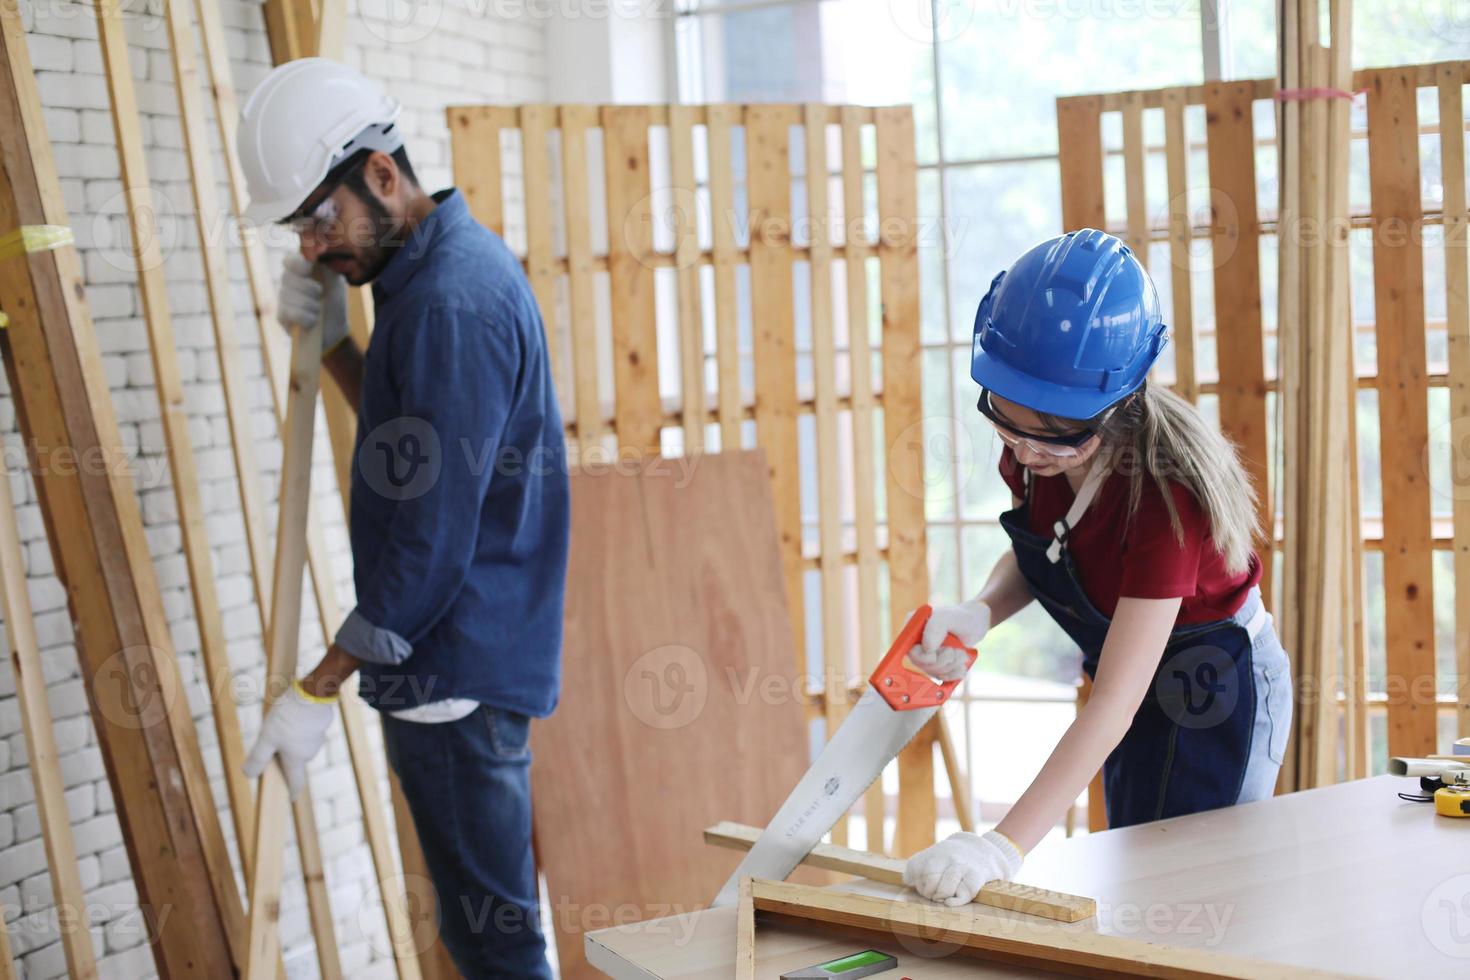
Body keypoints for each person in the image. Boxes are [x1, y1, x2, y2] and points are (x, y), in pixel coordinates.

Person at [235, 58, 568, 977]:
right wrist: (337, 346)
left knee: (494, 948)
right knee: (483, 935)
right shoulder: (421, 277)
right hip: (451, 666)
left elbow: (428, 545)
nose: (310, 247)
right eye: (299, 225)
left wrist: (316, 687)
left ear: (382, 174)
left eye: (318, 217)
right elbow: (403, 441)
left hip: (452, 672)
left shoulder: (451, 305)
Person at [902, 229, 1292, 907]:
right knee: (1137, 879)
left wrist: (1002, 845)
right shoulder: (1033, 456)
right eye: (1006, 420)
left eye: (1054, 434)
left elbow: (1116, 697)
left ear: (1118, 404)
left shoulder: (1166, 497)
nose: (1025, 451)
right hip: (1129, 679)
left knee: (1198, 899)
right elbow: (1046, 552)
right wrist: (982, 611)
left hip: (1214, 689)